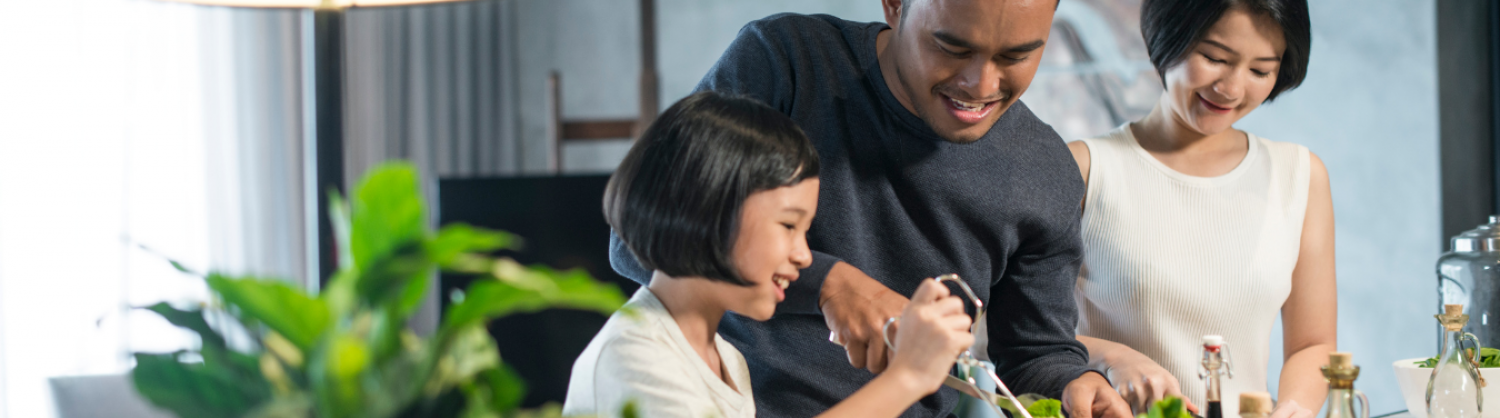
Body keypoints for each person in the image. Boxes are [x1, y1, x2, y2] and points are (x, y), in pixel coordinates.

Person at [608, 0, 1132, 417]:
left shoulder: (1044, 171)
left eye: (1015, 56)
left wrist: (1075, 383)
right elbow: (642, 242)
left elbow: (1035, 355)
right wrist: (830, 285)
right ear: (894, 4)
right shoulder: (786, 63)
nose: (981, 84)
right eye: (952, 47)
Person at [563, 91, 978, 418]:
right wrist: (908, 377)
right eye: (787, 226)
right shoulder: (634, 360)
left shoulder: (724, 359)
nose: (804, 256)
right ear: (706, 210)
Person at [1067, 1, 1333, 417]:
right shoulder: (1085, 170)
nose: (1231, 88)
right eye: (1214, 58)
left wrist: (1292, 411)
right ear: (1166, 36)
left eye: (1260, 70)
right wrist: (1110, 357)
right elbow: (993, 330)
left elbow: (1312, 344)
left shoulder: (1299, 175)